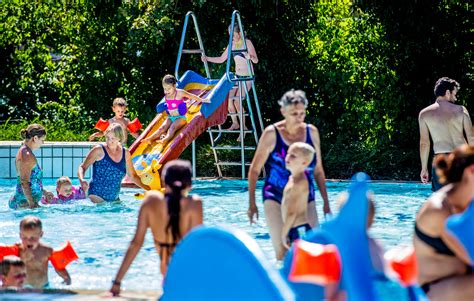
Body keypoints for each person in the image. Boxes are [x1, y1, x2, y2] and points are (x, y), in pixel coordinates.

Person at [248, 89, 331, 260]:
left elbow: (318, 170)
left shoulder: (311, 132)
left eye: (302, 113)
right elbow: (255, 169)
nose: (299, 117)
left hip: (304, 193)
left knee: (313, 247)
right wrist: (252, 204)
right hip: (275, 194)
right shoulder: (272, 134)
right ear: (283, 111)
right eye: (294, 113)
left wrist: (326, 202)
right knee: (282, 250)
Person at [110, 160, 203, 296]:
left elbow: (136, 243)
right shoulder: (194, 204)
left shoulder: (151, 201)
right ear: (189, 184)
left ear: (164, 181)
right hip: (191, 277)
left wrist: (117, 282)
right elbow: (198, 245)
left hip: (168, 276)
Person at [414, 144, 474, 299]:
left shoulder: (467, 204)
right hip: (433, 290)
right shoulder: (439, 210)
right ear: (471, 171)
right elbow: (470, 256)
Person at [202, 24, 258, 140]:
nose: (231, 36)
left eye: (233, 33)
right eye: (229, 34)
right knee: (228, 99)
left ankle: (243, 129)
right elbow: (222, 59)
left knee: (237, 102)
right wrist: (207, 59)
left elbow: (256, 60)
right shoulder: (231, 45)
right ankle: (235, 123)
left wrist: (249, 56)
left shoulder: (247, 43)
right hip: (237, 77)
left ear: (239, 33)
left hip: (247, 77)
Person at [419, 77, 473, 191]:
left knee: (442, 200)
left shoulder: (424, 114)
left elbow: (424, 143)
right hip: (461, 159)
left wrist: (424, 169)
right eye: (454, 94)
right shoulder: (461, 110)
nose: (455, 97)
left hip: (441, 161)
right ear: (447, 92)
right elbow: (471, 138)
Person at [78, 123, 149, 203]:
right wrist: (81, 180)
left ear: (119, 138)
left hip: (114, 199)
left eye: (113, 138)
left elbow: (133, 176)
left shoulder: (125, 153)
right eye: (107, 137)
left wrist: (149, 189)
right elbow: (82, 167)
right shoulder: (99, 150)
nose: (109, 141)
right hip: (96, 195)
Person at [143, 75, 210, 146]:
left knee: (172, 128)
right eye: (165, 89)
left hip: (180, 118)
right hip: (171, 117)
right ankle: (150, 139)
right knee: (162, 128)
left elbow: (192, 96)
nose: (166, 91)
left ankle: (165, 140)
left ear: (174, 86)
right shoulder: (167, 96)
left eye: (168, 88)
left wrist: (202, 100)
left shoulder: (180, 93)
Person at [9, 124, 54, 209]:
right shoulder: (26, 155)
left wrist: (44, 192)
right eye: (42, 140)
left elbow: (32, 180)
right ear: (35, 138)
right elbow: (24, 181)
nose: (43, 143)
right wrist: (32, 204)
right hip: (24, 204)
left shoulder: (26, 151)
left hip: (25, 203)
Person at [18, 216, 71, 288]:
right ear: (20, 235)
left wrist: (67, 279)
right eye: (25, 237)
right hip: (24, 288)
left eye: (33, 237)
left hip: (44, 287)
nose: (29, 241)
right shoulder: (18, 250)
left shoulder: (46, 251)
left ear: (41, 234)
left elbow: (59, 268)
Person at [281, 142, 316, 252]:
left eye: (293, 156)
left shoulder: (298, 183)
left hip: (299, 230)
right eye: (288, 153)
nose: (288, 157)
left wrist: (283, 234)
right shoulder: (293, 178)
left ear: (304, 162)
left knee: (301, 265)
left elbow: (292, 212)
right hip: (295, 228)